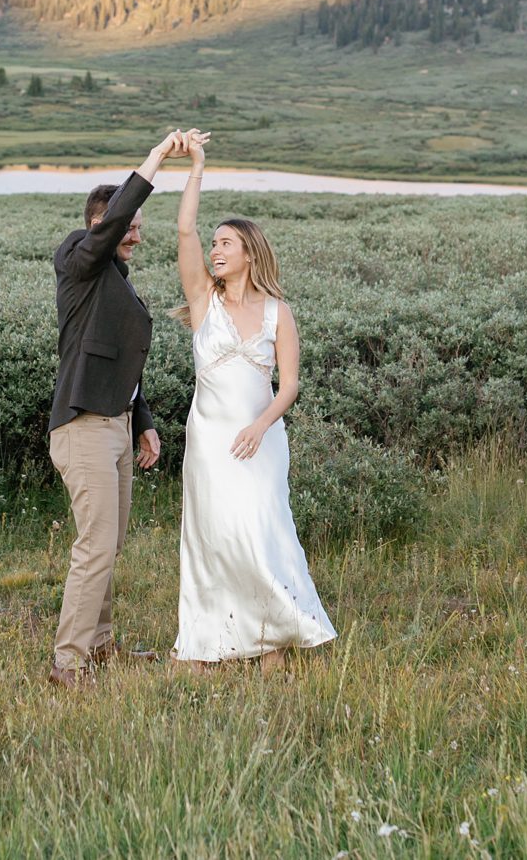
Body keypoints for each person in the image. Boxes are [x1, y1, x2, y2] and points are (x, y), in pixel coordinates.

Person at [171, 130, 337, 670]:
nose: (216, 250)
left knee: (264, 532)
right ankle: (205, 645)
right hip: (210, 440)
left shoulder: (277, 313)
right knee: (213, 538)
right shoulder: (203, 303)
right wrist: (196, 165)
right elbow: (184, 228)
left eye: (226, 244)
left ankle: (272, 638)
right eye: (215, 244)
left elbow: (288, 385)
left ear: (249, 254)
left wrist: (261, 426)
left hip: (261, 439)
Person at [48, 131, 188, 687]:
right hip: (83, 426)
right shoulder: (77, 261)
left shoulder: (115, 283)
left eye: (137, 227)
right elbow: (111, 223)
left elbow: (121, 364)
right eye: (123, 225)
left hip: (117, 425)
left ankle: (101, 647)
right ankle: (68, 663)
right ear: (98, 228)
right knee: (95, 545)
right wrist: (155, 161)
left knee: (110, 544)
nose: (134, 232)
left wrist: (145, 424)